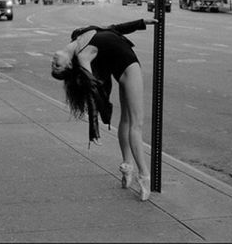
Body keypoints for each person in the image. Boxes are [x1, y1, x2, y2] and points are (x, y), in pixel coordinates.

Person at [51, 18, 157, 201]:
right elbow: (93, 92)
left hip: (121, 69)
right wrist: (94, 128)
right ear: (69, 64)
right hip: (129, 69)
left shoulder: (78, 36)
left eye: (54, 65)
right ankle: (144, 176)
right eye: (58, 66)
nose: (54, 62)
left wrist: (141, 22)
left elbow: (112, 29)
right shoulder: (83, 57)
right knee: (136, 124)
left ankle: (127, 167)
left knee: (126, 120)